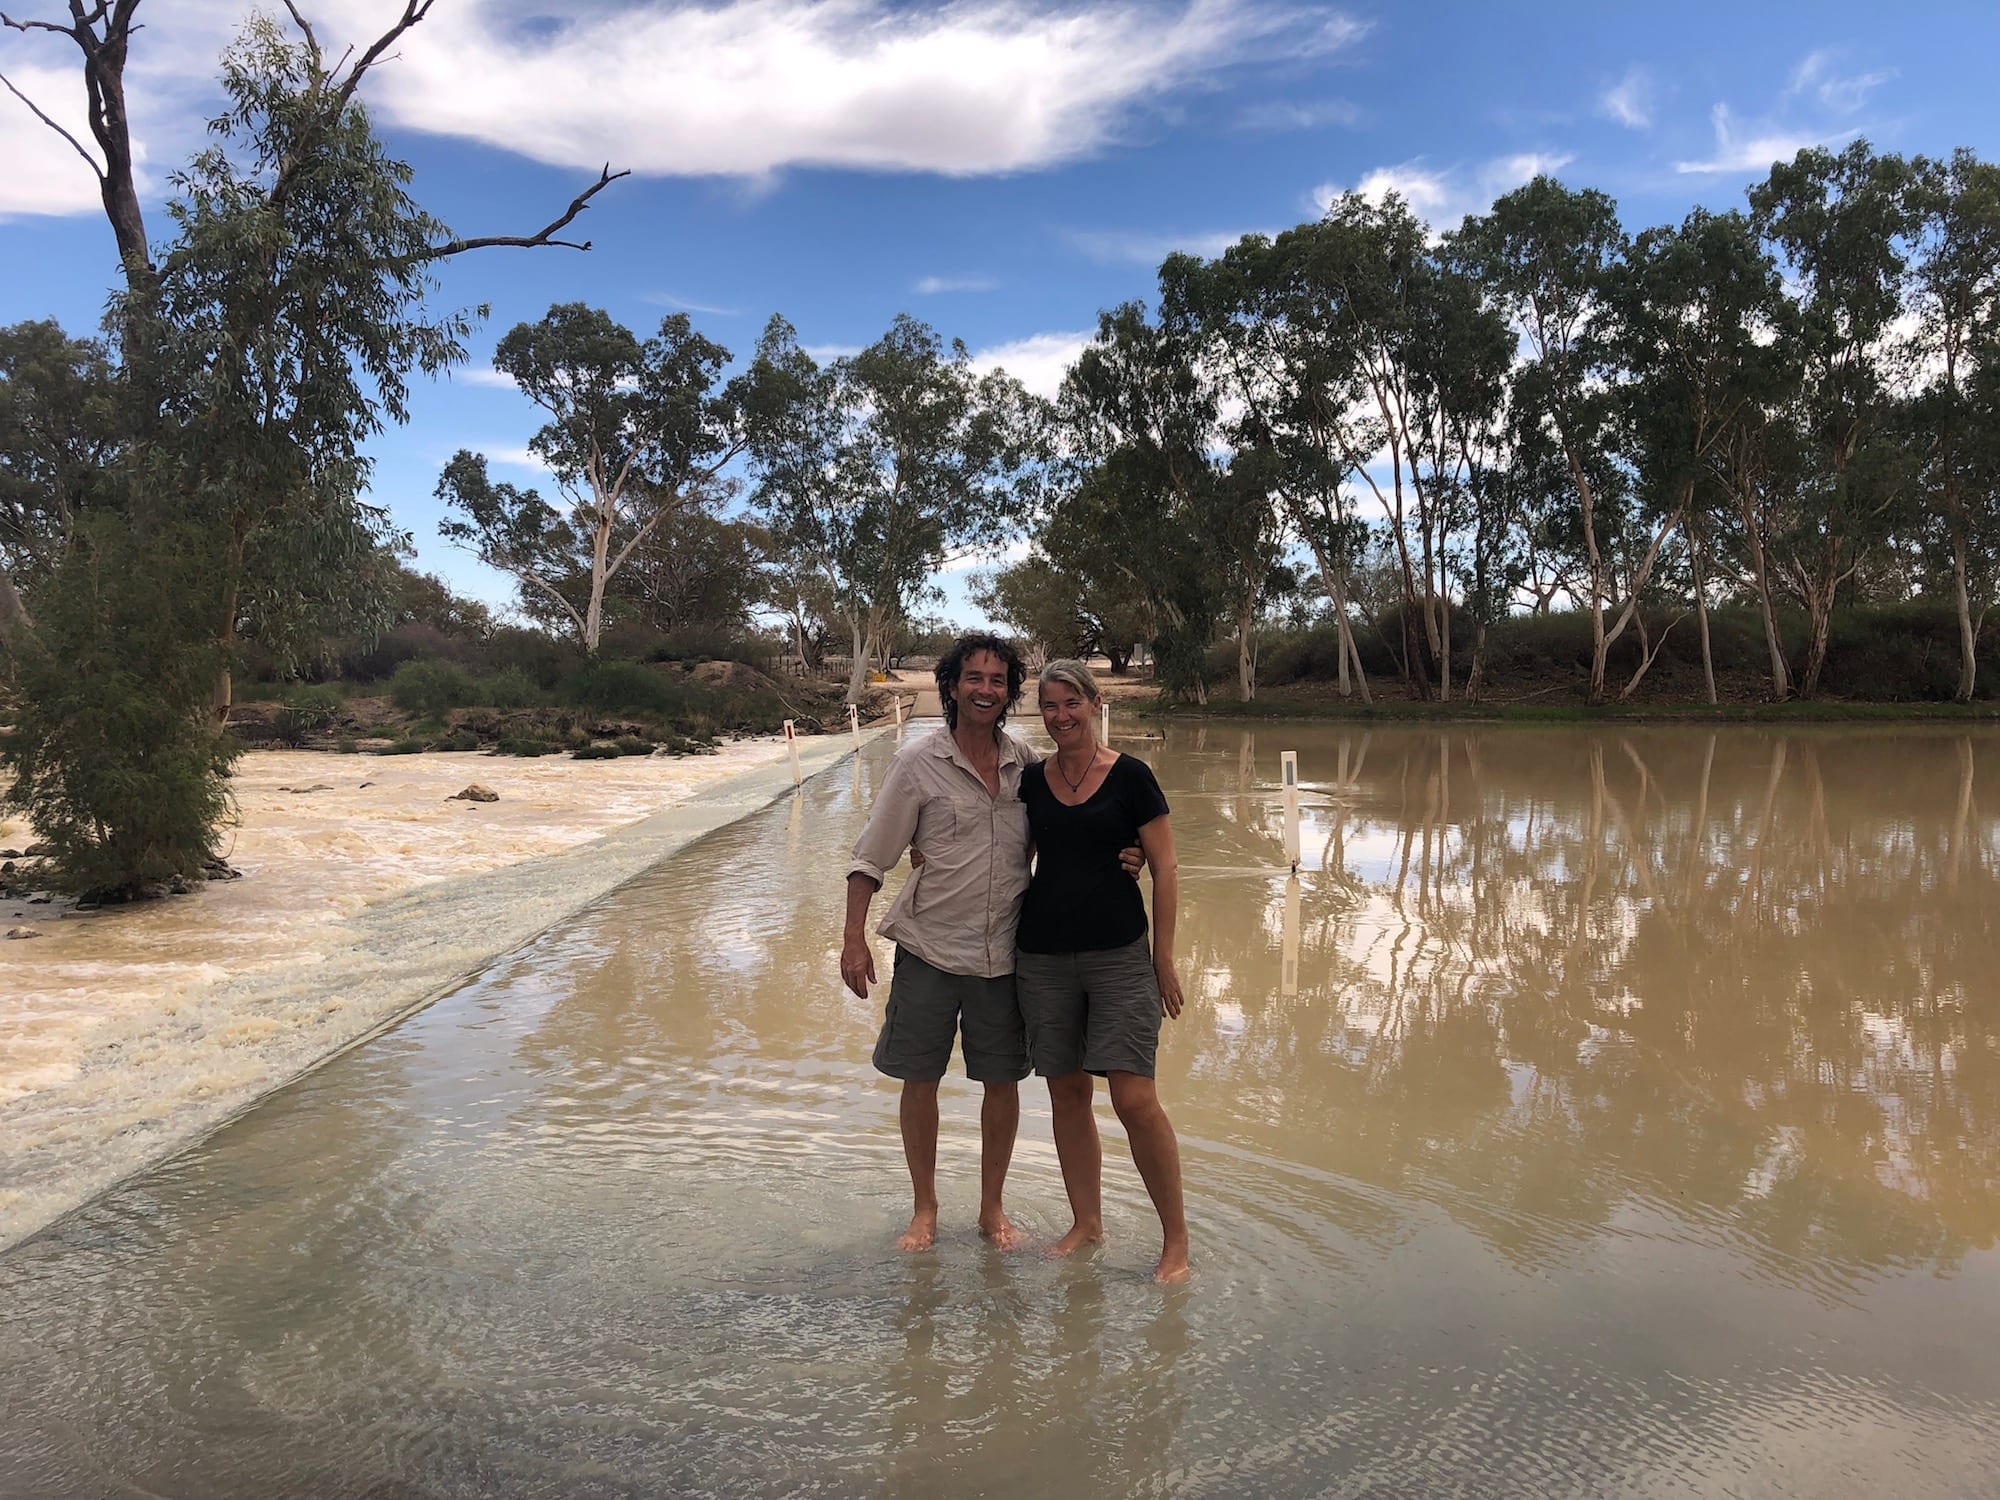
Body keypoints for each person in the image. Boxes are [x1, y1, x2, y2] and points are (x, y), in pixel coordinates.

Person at [843, 633, 1038, 1253]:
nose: (986, 689)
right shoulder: (917, 764)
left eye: (998, 680)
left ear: (1010, 692)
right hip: (928, 948)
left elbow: (1079, 824)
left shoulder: (1027, 766)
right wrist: (853, 940)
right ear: (951, 685)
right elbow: (871, 858)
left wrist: (1132, 849)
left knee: (1002, 1082)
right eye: (974, 677)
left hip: (1005, 953)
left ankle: (991, 1210)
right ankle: (924, 1209)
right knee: (918, 1078)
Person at [1014, 659, 1190, 1283]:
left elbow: (1166, 867)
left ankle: (1176, 1243)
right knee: (1067, 1092)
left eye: (1072, 703)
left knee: (1135, 1097)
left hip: (1119, 955)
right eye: (1050, 706)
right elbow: (1008, 855)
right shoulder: (1031, 781)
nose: (1061, 716)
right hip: (1041, 957)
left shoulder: (1132, 777)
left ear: (1094, 703)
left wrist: (1162, 959)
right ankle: (1086, 1223)